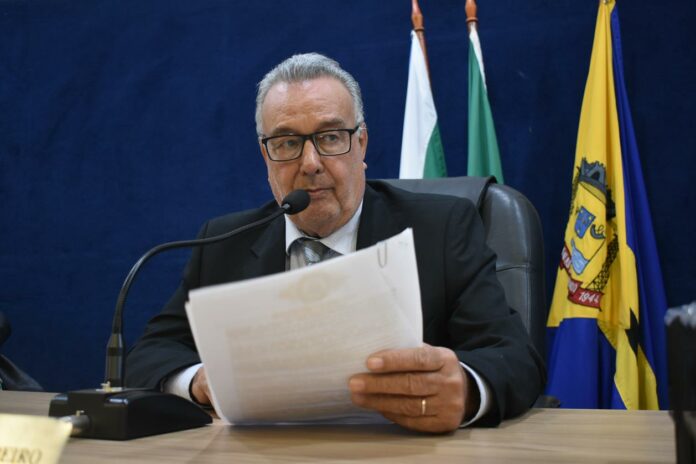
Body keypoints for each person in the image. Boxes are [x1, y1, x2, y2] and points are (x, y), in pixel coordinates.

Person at [126, 53, 545, 433]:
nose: (310, 164)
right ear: (266, 157)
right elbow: (150, 354)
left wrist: (466, 390)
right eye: (287, 143)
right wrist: (200, 382)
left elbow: (515, 357)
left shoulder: (442, 228)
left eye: (330, 137)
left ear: (360, 144)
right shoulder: (224, 243)